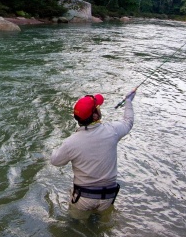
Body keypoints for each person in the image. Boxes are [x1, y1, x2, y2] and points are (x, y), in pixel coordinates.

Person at [50, 88, 137, 218]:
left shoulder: (71, 143)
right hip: (108, 196)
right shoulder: (112, 131)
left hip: (83, 198)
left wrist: (54, 148)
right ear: (95, 116)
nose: (99, 108)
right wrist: (128, 101)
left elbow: (55, 161)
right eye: (98, 107)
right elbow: (128, 122)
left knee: (76, 227)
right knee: (99, 229)